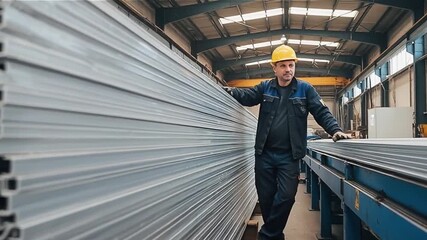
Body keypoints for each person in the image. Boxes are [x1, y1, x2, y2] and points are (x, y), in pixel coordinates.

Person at [224, 45, 350, 240]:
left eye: (291, 65)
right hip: (264, 154)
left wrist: (335, 130)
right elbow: (248, 97)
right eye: (283, 66)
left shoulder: (305, 90)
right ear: (274, 68)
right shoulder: (265, 87)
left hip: (289, 156)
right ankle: (275, 235)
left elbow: (321, 112)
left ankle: (267, 235)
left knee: (286, 197)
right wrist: (230, 92)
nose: (288, 70)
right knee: (266, 199)